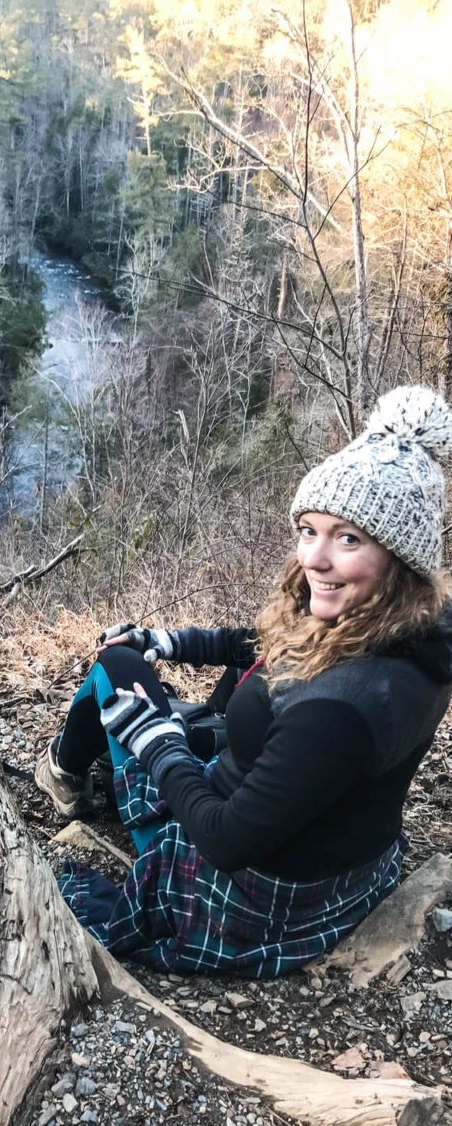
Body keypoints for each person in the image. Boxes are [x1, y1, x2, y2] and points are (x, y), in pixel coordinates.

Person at [34, 386, 452, 978]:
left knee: (118, 668)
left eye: (349, 538)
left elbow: (226, 840)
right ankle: (88, 762)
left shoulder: (341, 709)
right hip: (346, 860)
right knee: (155, 662)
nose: (315, 558)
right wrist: (171, 642)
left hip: (248, 895)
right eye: (309, 529)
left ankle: (63, 775)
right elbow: (271, 642)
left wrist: (157, 741)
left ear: (399, 556)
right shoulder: (417, 632)